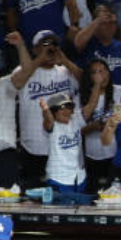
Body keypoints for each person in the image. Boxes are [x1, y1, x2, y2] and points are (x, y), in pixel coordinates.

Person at [17, 29, 82, 188]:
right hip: (34, 148)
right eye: (45, 44)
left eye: (54, 44)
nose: (50, 47)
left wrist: (65, 60)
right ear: (34, 49)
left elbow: (87, 81)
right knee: (32, 200)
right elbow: (17, 82)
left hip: (63, 149)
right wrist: (40, 59)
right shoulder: (24, 72)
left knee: (60, 201)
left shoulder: (65, 71)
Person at [0, 32, 35, 192]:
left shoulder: (4, 86)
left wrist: (20, 46)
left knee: (7, 207)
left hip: (3, 158)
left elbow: (28, 70)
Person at [40, 91, 97, 193]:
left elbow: (91, 106)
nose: (67, 111)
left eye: (69, 107)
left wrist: (98, 84)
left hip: (79, 177)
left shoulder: (75, 120)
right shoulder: (53, 126)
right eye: (62, 108)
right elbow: (48, 119)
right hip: (58, 178)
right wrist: (45, 109)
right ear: (54, 111)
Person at [78, 57, 117, 193]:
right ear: (89, 77)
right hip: (91, 155)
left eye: (103, 71)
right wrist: (93, 127)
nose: (100, 76)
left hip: (114, 153)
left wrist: (111, 124)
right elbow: (76, 130)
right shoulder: (81, 97)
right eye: (95, 72)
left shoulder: (118, 92)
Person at [73, 4, 121, 89]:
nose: (110, 26)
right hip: (93, 93)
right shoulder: (87, 44)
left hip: (117, 96)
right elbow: (77, 42)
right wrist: (98, 20)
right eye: (105, 23)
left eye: (113, 23)